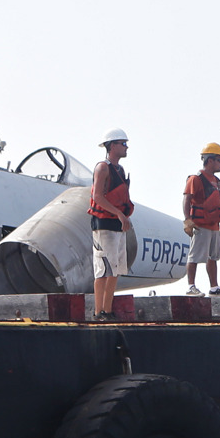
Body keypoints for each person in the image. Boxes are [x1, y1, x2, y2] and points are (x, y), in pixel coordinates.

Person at [87, 128, 133, 321]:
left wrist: (123, 215)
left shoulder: (120, 170)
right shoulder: (102, 167)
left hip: (116, 224)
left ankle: (108, 309)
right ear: (112, 145)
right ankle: (99, 312)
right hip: (104, 224)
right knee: (103, 269)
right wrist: (119, 214)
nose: (126, 147)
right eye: (123, 144)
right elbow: (97, 196)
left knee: (115, 268)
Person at [183, 143, 220, 296]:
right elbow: (187, 199)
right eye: (219, 160)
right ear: (210, 160)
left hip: (214, 225)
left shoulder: (217, 181)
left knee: (213, 257)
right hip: (200, 225)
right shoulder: (196, 179)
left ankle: (214, 287)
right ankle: (191, 286)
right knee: (195, 256)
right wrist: (187, 220)